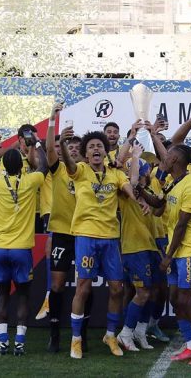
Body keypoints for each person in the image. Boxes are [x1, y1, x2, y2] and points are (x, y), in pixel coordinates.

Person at [64, 131, 140, 359]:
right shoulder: (80, 171)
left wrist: (138, 200)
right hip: (86, 236)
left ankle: (110, 335)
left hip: (109, 237)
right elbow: (68, 162)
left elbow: (129, 190)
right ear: (86, 154)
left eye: (99, 146)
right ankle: (76, 339)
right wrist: (62, 143)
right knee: (83, 287)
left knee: (117, 288)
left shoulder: (115, 174)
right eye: (91, 147)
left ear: (106, 152)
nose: (95, 149)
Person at [0, 141, 49, 356]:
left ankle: (3, 340)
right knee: (22, 296)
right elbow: (45, 166)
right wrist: (37, 143)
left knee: (2, 295)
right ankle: (20, 342)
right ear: (22, 167)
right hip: (21, 249)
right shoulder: (30, 181)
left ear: (3, 165)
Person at [156, 144, 191, 365]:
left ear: (175, 161)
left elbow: (181, 225)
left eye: (168, 155)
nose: (164, 157)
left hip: (190, 250)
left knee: (185, 300)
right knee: (175, 299)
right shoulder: (175, 182)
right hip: (179, 250)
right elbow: (159, 207)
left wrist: (168, 255)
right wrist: (140, 189)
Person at [44, 103, 87, 353]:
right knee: (57, 286)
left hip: (84, 234)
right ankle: (54, 334)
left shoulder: (89, 172)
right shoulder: (58, 169)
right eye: (68, 147)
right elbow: (50, 147)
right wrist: (52, 120)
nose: (72, 150)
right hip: (61, 233)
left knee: (84, 285)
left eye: (76, 148)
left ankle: (80, 336)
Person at [116, 147, 160, 352]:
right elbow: (132, 184)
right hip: (134, 247)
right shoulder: (126, 191)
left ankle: (140, 331)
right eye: (146, 169)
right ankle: (125, 333)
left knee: (151, 292)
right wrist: (134, 157)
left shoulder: (149, 192)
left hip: (151, 246)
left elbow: (160, 209)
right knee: (141, 292)